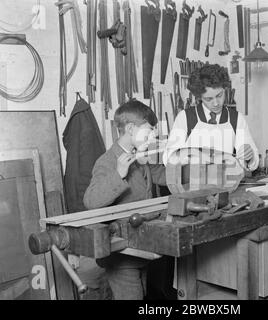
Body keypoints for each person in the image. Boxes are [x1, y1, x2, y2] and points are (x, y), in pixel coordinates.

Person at [83, 99, 166, 300]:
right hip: (121, 254)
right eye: (148, 132)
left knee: (143, 295)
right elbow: (90, 201)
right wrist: (118, 174)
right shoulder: (108, 161)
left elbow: (161, 177)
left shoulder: (140, 155)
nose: (152, 137)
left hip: (142, 246)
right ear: (130, 129)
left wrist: (182, 159)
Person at [163, 63, 259, 171]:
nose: (216, 103)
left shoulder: (236, 119)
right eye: (209, 99)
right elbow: (168, 158)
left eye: (219, 95)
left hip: (225, 184)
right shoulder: (185, 117)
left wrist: (249, 157)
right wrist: (194, 157)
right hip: (193, 184)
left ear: (224, 89)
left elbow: (252, 161)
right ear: (199, 97)